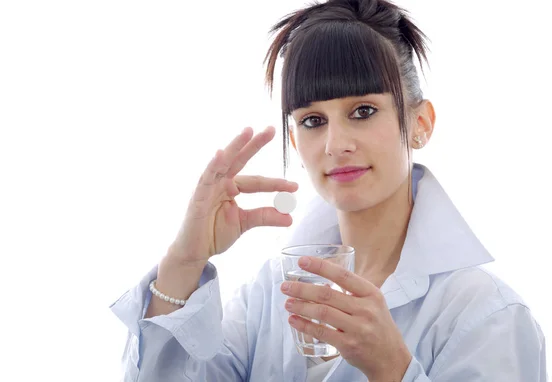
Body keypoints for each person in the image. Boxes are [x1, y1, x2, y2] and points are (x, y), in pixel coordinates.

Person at [110, 0, 547, 380]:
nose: (336, 144)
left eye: (363, 110)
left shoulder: (486, 314)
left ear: (420, 124)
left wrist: (393, 370)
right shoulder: (271, 293)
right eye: (313, 121)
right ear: (296, 141)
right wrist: (185, 261)